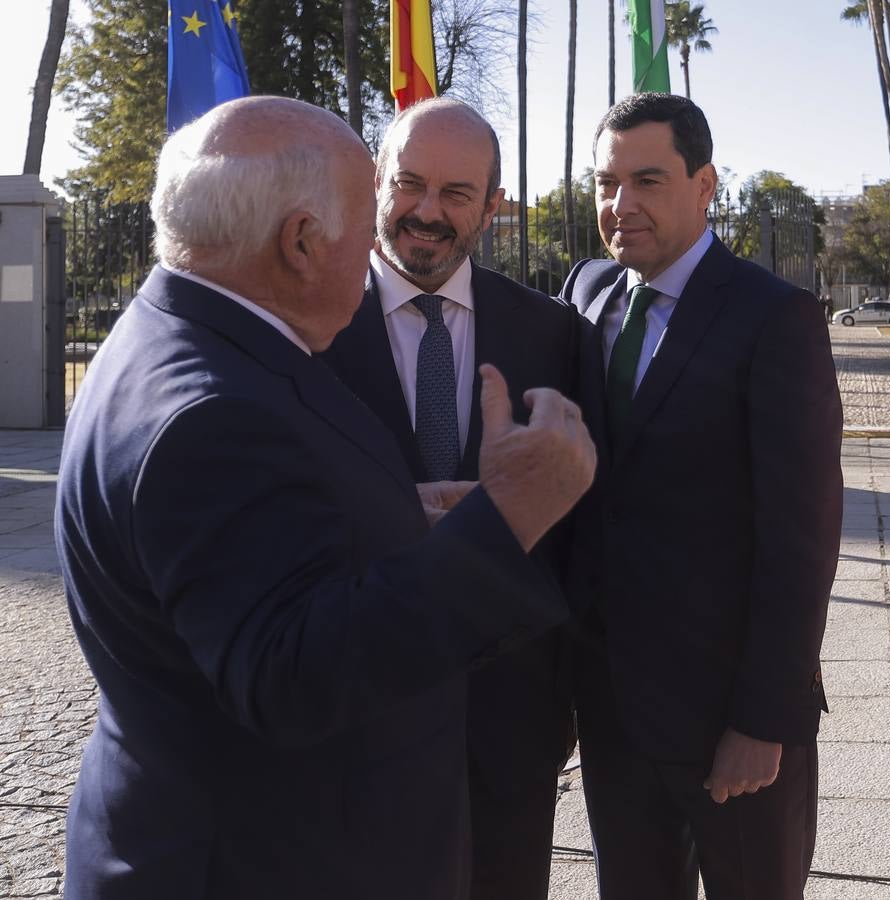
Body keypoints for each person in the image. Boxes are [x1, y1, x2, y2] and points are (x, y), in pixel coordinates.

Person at [55, 96, 596, 900]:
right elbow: (292, 676)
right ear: (303, 241)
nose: (391, 235)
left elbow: (256, 562)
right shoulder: (218, 412)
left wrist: (393, 522)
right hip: (261, 861)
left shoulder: (177, 332)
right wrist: (508, 514)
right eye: (372, 206)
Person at [559, 93, 843, 900]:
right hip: (611, 711)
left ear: (705, 183)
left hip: (732, 714)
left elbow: (802, 538)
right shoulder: (585, 297)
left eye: (647, 180)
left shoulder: (773, 317)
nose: (622, 205)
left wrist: (765, 719)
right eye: (606, 183)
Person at [320, 97, 578, 900]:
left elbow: (581, 533)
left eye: (456, 194)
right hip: (354, 717)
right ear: (374, 182)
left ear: (493, 207)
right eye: (408, 184)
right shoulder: (304, 328)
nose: (425, 214)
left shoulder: (555, 334)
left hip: (509, 721)